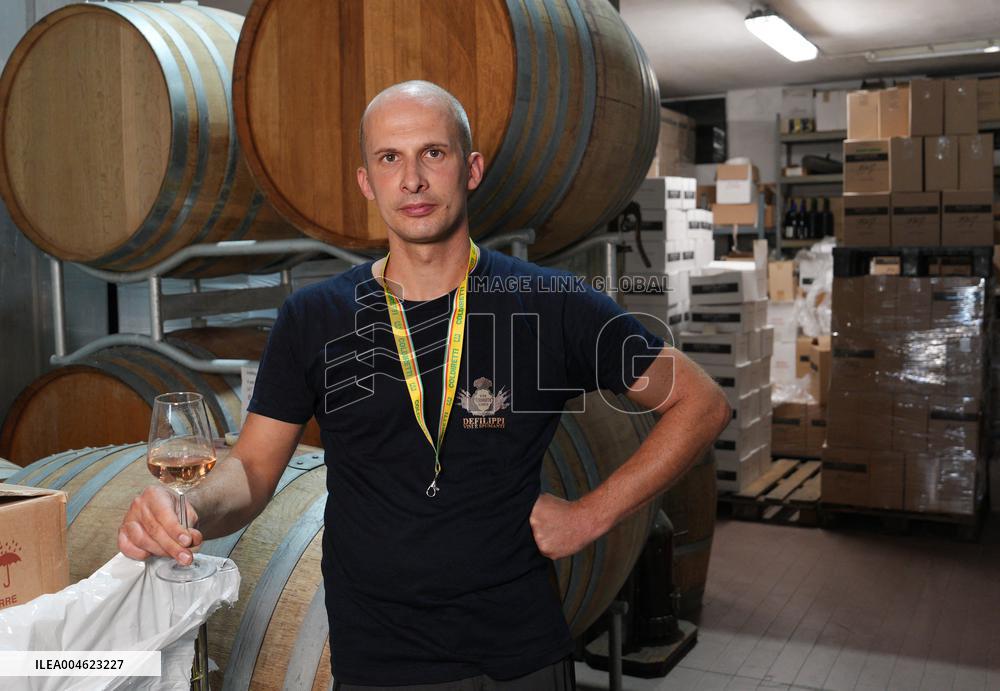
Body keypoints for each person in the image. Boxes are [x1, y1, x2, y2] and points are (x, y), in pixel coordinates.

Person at [118, 80, 730, 689]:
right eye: (390, 158)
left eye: (433, 153)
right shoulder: (314, 318)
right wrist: (188, 506)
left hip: (518, 653)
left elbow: (700, 402)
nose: (412, 179)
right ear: (367, 182)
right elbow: (251, 470)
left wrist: (591, 516)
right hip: (380, 659)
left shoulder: (550, 302)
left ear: (471, 169)